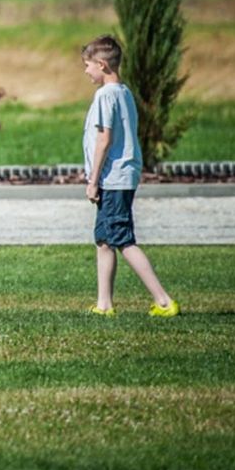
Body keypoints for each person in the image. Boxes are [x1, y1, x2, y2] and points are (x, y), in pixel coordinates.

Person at [80, 35, 179, 317]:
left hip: (112, 178)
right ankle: (104, 304)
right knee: (104, 239)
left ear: (101, 64)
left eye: (87, 65)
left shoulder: (105, 95)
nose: (86, 71)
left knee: (122, 239)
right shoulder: (124, 92)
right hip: (123, 175)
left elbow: (104, 139)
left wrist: (93, 180)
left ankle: (163, 301)